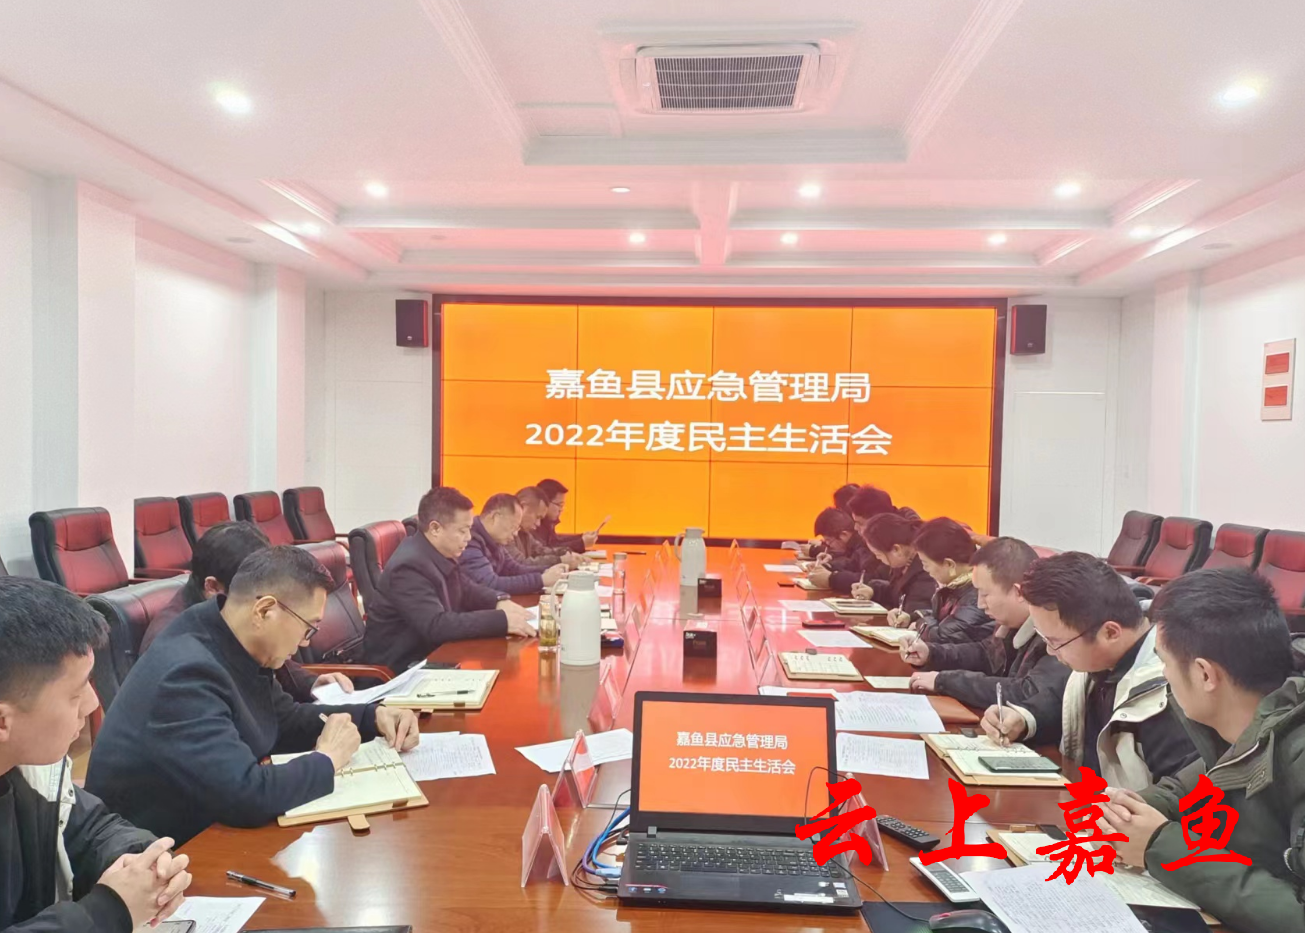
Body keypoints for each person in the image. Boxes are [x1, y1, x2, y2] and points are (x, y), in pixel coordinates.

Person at [85, 547, 420, 845]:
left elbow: (284, 719)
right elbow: (246, 795)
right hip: (166, 854)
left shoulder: (230, 637)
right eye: (308, 627)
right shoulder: (186, 673)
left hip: (209, 827)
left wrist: (372, 717)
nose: (305, 642)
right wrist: (327, 759)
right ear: (264, 611)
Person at [1099, 569, 1305, 932]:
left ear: (1205, 674)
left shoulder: (1296, 750)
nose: (1164, 674)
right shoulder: (1235, 728)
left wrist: (1158, 845)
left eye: (1164, 661)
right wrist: (1125, 812)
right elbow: (1185, 790)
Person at [0, 577, 193, 933]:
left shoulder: (32, 767)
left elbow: (91, 827)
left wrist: (143, 862)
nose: (92, 704)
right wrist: (108, 910)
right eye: (75, 693)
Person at [980, 551, 1197, 790]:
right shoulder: (1098, 661)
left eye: (1056, 642)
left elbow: (1177, 797)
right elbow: (1062, 702)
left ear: (1110, 633)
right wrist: (1023, 719)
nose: (1050, 651)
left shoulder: (1169, 697)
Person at [139, 521, 352, 703]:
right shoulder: (177, 648)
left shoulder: (225, 618)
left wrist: (312, 683)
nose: (267, 609)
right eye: (256, 591)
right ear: (213, 587)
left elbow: (270, 661)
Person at [361, 487, 536, 673]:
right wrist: (501, 621)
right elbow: (436, 625)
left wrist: (498, 601)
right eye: (462, 531)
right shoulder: (408, 567)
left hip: (434, 658)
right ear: (435, 528)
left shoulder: (438, 551)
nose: (468, 538)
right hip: (400, 672)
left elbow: (466, 589)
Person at [905, 538, 1070, 711]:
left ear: (1018, 592)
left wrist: (946, 681)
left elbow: (1027, 693)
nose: (980, 604)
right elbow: (986, 655)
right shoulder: (1010, 625)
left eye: (985, 594)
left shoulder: (1054, 634)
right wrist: (932, 654)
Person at [889, 518, 993, 646]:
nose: (925, 569)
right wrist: (912, 617)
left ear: (949, 564)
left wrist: (919, 624)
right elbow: (944, 618)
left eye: (925, 564)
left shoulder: (976, 594)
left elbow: (944, 636)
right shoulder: (957, 585)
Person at [461, 493, 567, 596]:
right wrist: (541, 580)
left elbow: (514, 569)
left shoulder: (495, 540)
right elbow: (490, 584)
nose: (516, 534)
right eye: (513, 527)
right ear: (495, 517)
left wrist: (548, 571)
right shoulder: (469, 541)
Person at [852, 512, 937, 615]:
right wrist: (873, 591)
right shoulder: (904, 562)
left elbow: (916, 611)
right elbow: (897, 592)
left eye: (878, 554)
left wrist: (905, 616)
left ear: (896, 549)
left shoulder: (927, 570)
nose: (877, 558)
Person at [805, 508, 878, 594]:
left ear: (844, 534)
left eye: (829, 541)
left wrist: (832, 578)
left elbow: (868, 578)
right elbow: (850, 563)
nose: (855, 527)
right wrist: (828, 566)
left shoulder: (866, 545)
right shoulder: (853, 545)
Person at [508, 486, 580, 571]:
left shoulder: (525, 533)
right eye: (537, 517)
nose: (538, 523)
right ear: (523, 507)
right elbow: (521, 564)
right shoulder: (505, 533)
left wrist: (566, 552)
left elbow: (541, 550)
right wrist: (559, 560)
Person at [534, 479, 598, 554]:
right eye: (559, 505)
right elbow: (548, 551)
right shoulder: (534, 524)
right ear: (545, 502)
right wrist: (581, 543)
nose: (561, 510)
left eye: (562, 505)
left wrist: (581, 537)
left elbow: (556, 541)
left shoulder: (548, 522)